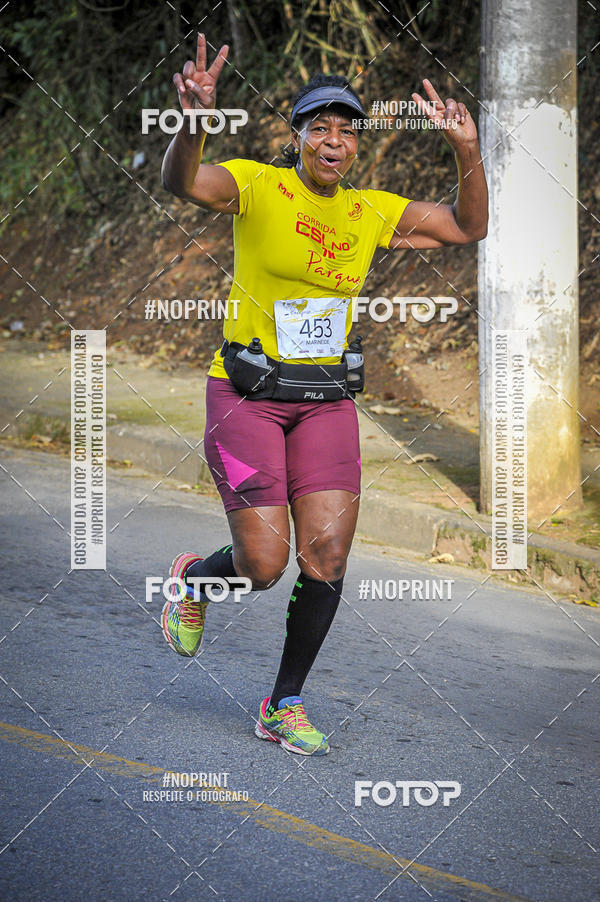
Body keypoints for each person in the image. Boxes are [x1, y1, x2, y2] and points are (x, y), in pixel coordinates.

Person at [160, 33, 488, 756]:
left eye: (346, 130)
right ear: (300, 137)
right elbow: (185, 183)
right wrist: (195, 121)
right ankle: (194, 578)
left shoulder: (371, 212)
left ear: (355, 145)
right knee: (265, 565)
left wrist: (467, 147)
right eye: (320, 127)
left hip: (326, 400)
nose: (333, 140)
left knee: (328, 555)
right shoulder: (258, 186)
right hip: (245, 395)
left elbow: (468, 226)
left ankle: (284, 703)